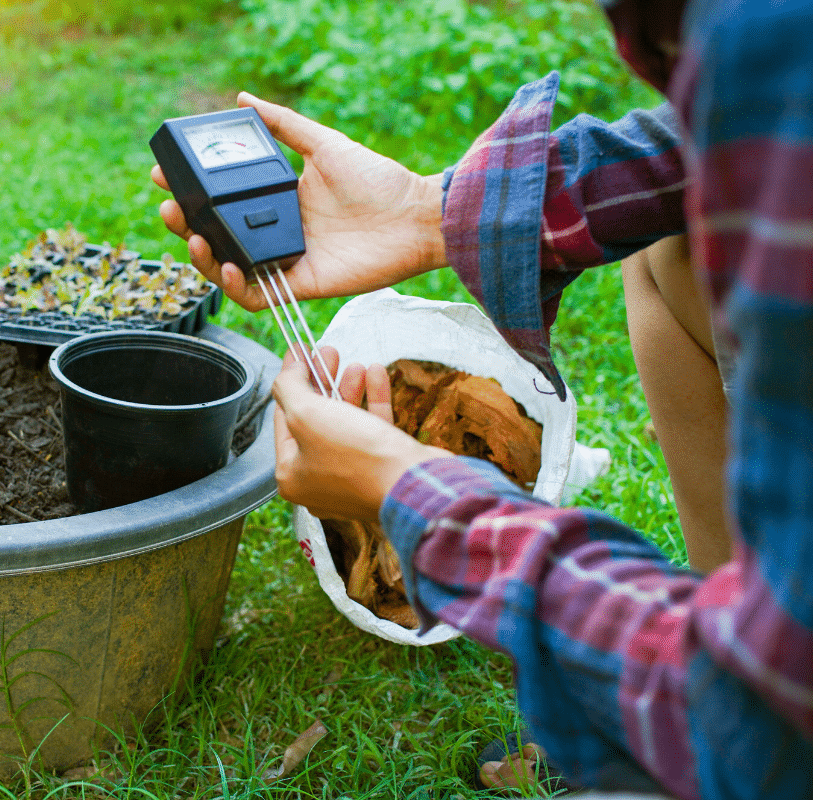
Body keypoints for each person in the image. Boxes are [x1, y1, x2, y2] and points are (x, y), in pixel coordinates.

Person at [150, 0, 813, 797]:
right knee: (677, 256)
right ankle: (717, 618)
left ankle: (690, 708)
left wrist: (421, 503)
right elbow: (722, 149)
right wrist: (431, 214)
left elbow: (775, 704)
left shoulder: (769, 35)